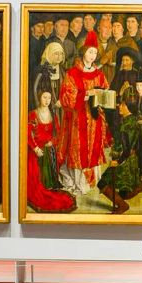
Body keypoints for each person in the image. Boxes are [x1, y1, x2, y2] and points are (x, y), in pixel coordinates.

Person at [58, 31, 110, 195]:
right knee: (78, 149)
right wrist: (87, 95)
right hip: (77, 119)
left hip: (95, 120)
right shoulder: (72, 73)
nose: (93, 55)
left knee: (93, 148)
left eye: (95, 52)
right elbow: (66, 96)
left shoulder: (99, 74)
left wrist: (102, 96)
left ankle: (92, 181)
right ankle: (79, 183)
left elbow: (106, 92)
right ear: (83, 52)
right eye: (90, 52)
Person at [26, 91, 76, 213]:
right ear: (39, 98)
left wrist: (52, 142)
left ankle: (50, 186)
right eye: (44, 97)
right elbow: (27, 134)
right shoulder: (33, 114)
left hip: (49, 150)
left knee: (51, 173)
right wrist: (36, 148)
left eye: (49, 98)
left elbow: (58, 133)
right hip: (36, 150)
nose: (47, 100)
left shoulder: (53, 115)